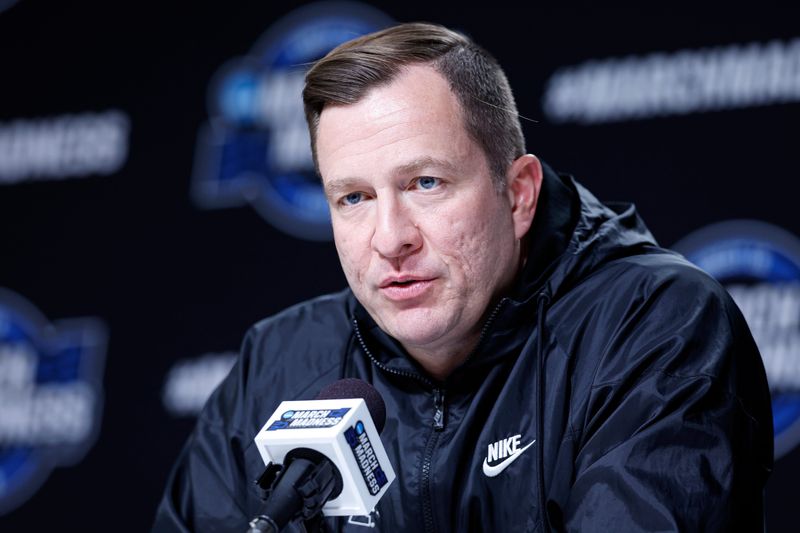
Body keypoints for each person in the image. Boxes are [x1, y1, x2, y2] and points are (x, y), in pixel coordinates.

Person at [154, 22, 773, 532]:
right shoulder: (278, 362)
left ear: (519, 194)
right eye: (354, 198)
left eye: (426, 183)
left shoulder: (656, 326)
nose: (391, 238)